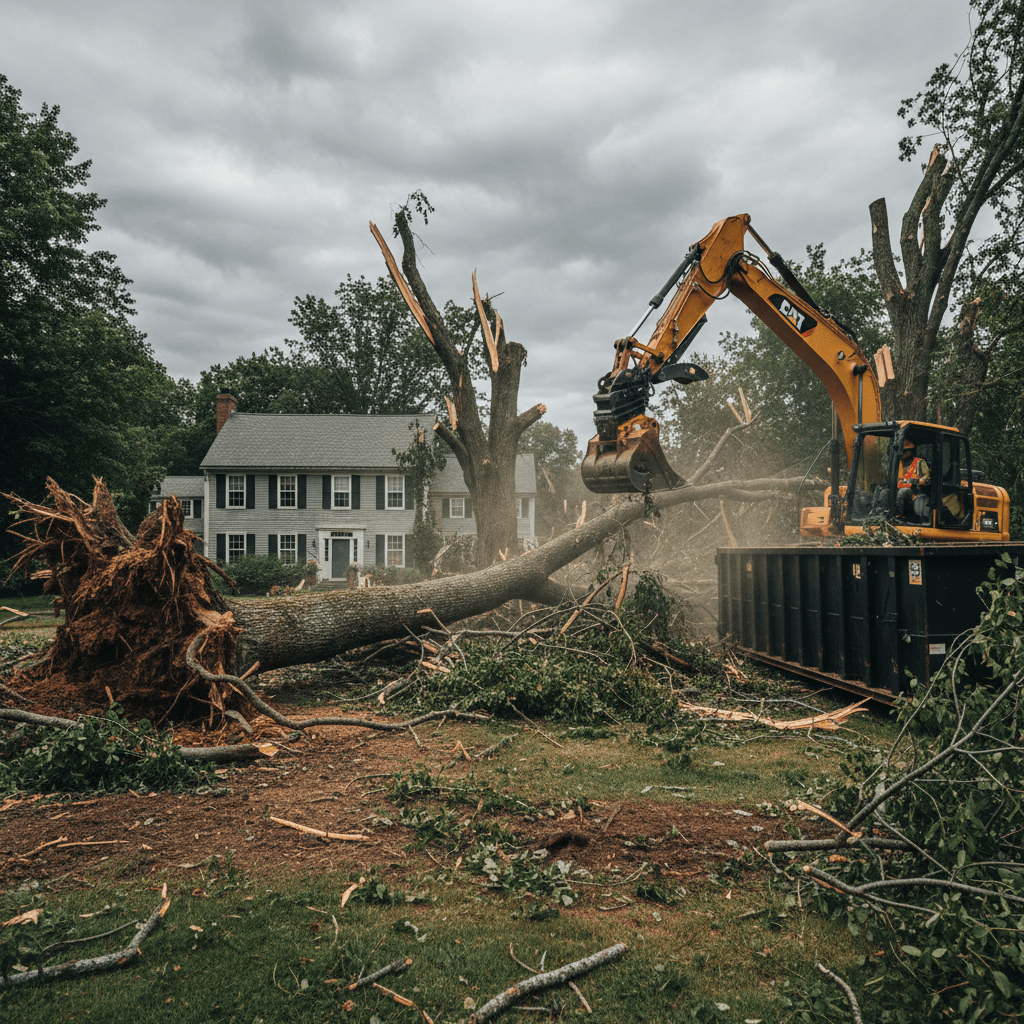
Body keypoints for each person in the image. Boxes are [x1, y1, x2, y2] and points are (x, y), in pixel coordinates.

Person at [895, 440, 931, 521]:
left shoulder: (919, 462)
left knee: (902, 492)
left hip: (916, 490)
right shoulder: (899, 463)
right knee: (885, 492)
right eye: (902, 451)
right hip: (901, 488)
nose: (903, 453)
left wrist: (917, 481)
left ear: (911, 451)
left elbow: (927, 478)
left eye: (905, 451)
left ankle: (899, 516)